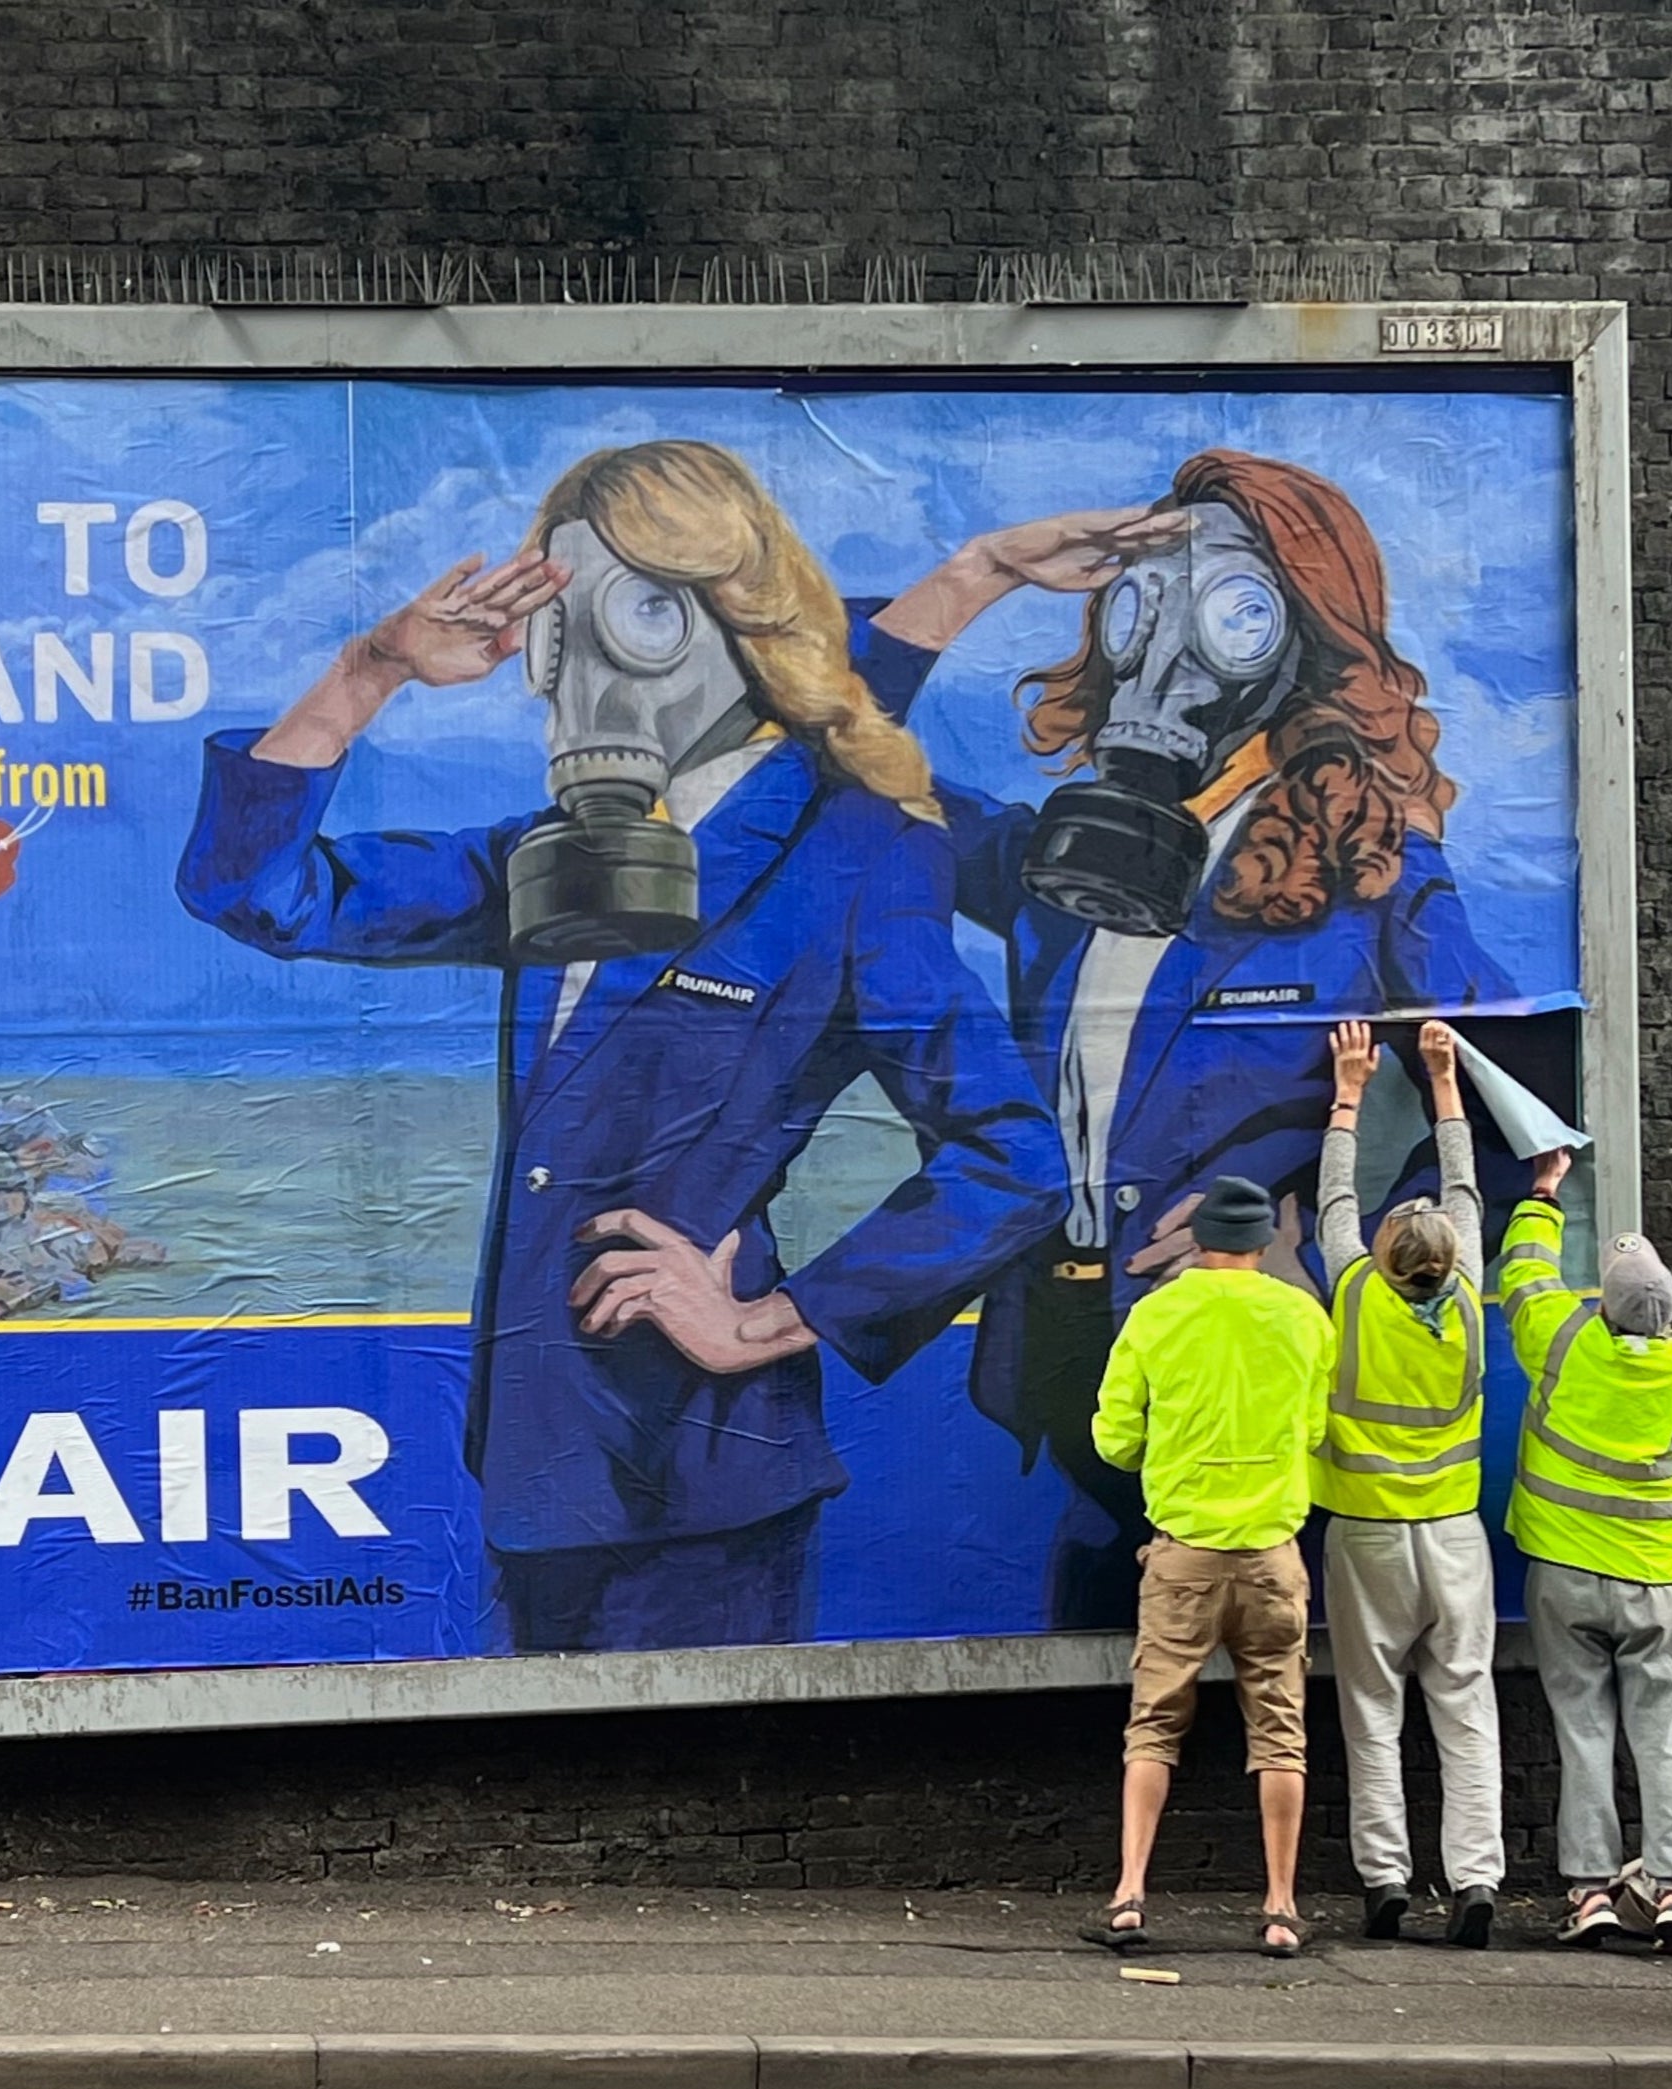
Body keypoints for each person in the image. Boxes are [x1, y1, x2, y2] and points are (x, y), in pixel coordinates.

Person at [177, 440, 1066, 1655]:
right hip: (539, 1468)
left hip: (701, 1480)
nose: (590, 664)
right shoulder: (549, 862)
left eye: (640, 611)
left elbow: (1010, 1157)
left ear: (738, 614)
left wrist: (769, 1318)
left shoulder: (850, 855)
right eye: (565, 622)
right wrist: (370, 669)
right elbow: (259, 891)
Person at [854, 452, 1515, 1628]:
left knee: (1264, 1685)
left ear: (1299, 632)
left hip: (1256, 1379)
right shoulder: (1066, 862)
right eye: (1146, 599)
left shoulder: (1373, 876)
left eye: (1233, 610)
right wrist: (981, 570)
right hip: (1068, 1365)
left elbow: (1521, 1084)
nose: (1172, 645)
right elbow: (843, 769)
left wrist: (1340, 1247)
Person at [1085, 1174, 1335, 1958]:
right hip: (1270, 1554)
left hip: (1182, 1554)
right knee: (1280, 1734)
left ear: (1199, 1241)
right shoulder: (1302, 1317)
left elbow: (1114, 1442)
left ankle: (1129, 1894)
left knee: (1152, 1727)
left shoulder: (1156, 1314)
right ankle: (1280, 1908)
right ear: (1264, 1242)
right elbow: (1315, 1429)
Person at [1313, 1018, 1501, 1947]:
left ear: (1385, 1257)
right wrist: (1444, 1080)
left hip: (1367, 1535)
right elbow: (1463, 1186)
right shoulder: (1466, 1296)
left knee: (1371, 1709)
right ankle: (1474, 1883)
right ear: (1448, 1257)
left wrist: (1349, 1089)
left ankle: (1385, 1879)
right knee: (1465, 1711)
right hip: (1455, 1536)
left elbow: (1330, 1202)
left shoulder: (1352, 1291)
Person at [1498, 1154, 1672, 1952]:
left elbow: (1522, 1274)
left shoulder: (1562, 1340)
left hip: (1562, 1574)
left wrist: (1544, 1193)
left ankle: (1589, 1892)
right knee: (1662, 1738)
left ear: (1603, 1307)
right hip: (1654, 1583)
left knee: (1581, 1731)